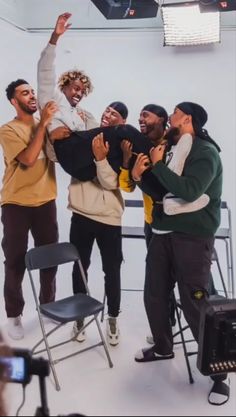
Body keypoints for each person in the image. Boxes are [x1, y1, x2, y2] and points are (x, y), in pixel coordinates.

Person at [132, 102, 229, 404]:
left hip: (193, 237)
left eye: (174, 113)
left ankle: (219, 372)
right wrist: (138, 176)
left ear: (186, 119)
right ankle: (163, 347)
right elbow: (161, 190)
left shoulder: (205, 152)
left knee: (194, 300)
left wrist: (158, 165)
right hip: (162, 233)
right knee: (155, 294)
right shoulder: (172, 149)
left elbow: (189, 190)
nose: (170, 118)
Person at [0, 79, 59, 340]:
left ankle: (47, 306)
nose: (32, 96)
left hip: (46, 200)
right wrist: (44, 123)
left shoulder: (47, 123)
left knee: (49, 257)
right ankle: (14, 316)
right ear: (14, 101)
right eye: (25, 93)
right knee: (15, 260)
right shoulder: (7, 130)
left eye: (32, 91)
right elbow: (27, 159)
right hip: (16, 203)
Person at [68, 101, 128, 346]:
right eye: (107, 110)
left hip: (109, 218)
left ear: (122, 122)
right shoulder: (88, 132)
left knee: (112, 270)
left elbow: (111, 183)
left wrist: (101, 159)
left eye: (114, 114)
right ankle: (80, 317)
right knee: (79, 267)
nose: (108, 114)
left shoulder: (124, 145)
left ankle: (112, 318)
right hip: (82, 213)